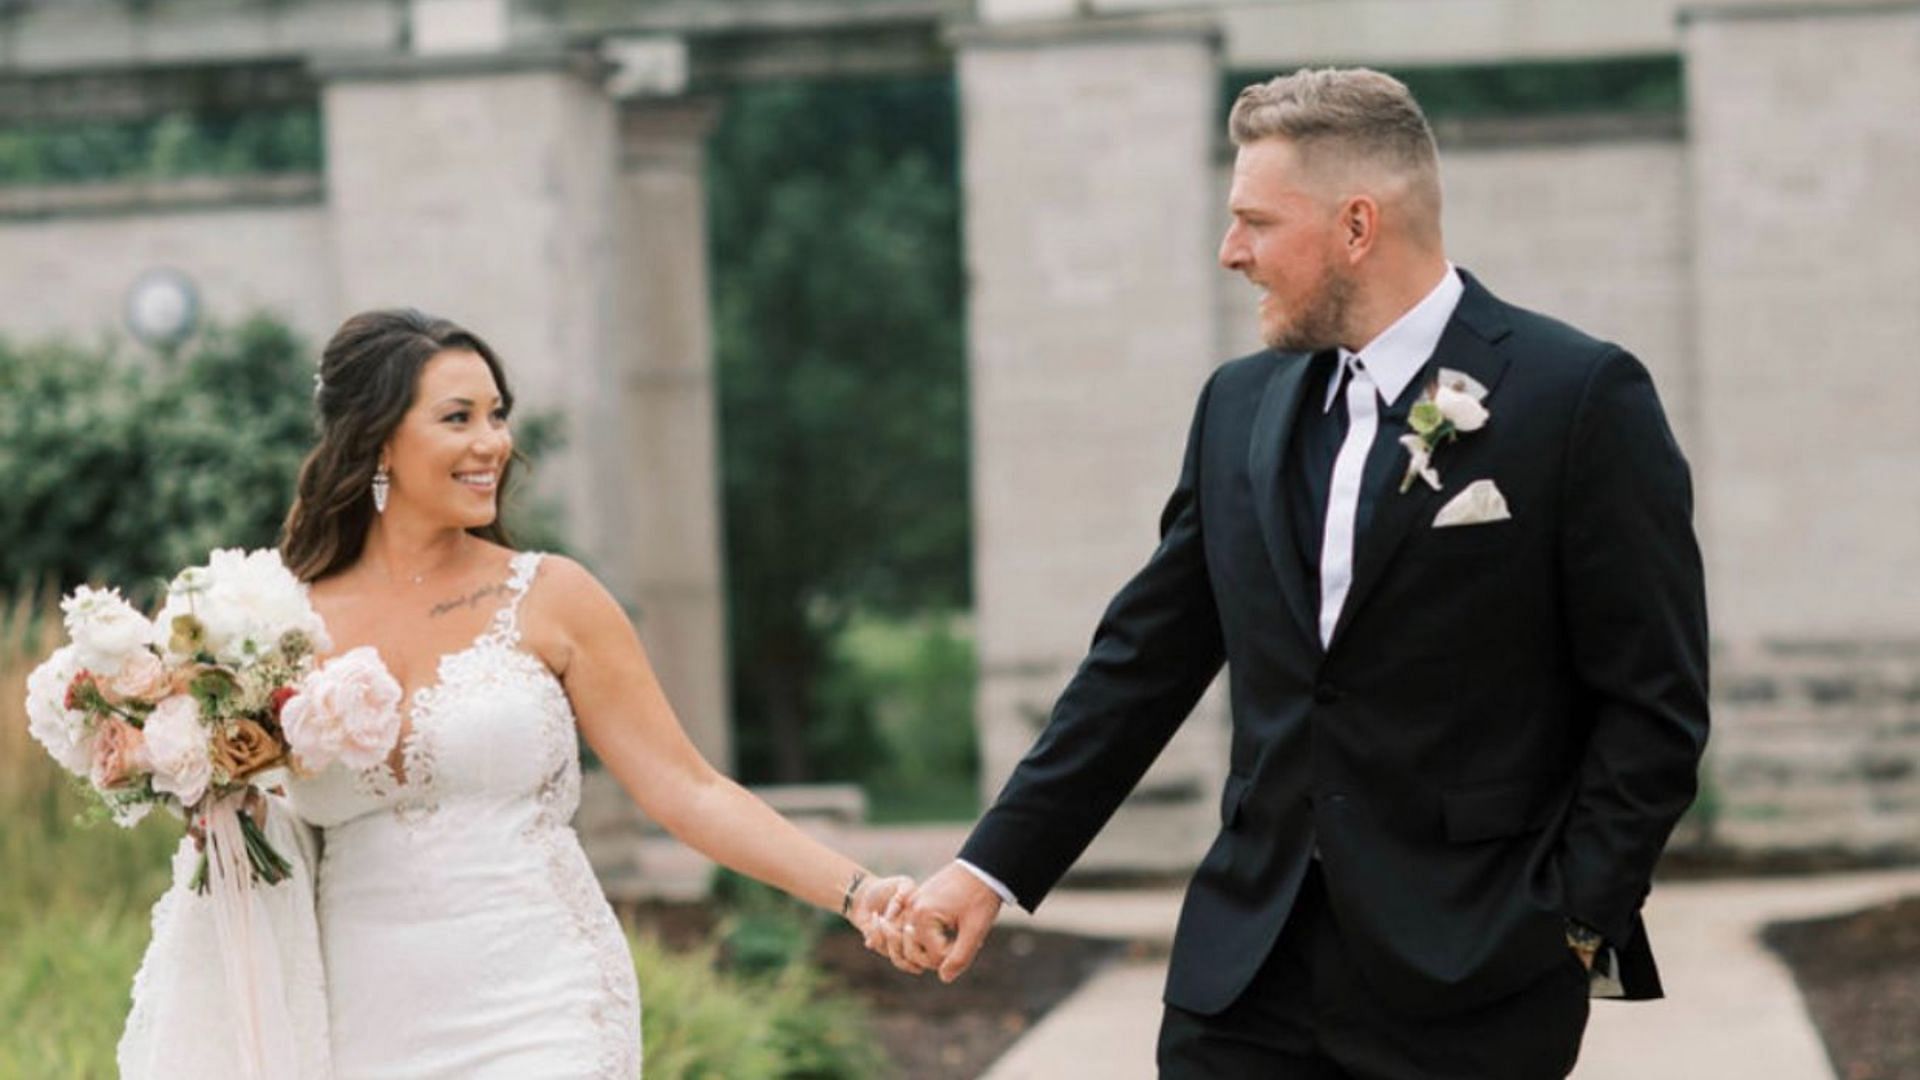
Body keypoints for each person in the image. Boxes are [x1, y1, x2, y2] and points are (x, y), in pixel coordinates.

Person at [893, 67, 1709, 1078]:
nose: (1230, 252)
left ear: (1357, 226)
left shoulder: (1579, 397)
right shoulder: (1237, 407)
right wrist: (989, 869)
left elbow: (1655, 703)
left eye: (1255, 222)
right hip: (1245, 971)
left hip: (1475, 976)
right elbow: (1140, 667)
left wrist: (1575, 918)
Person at [120, 308, 914, 1077]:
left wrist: (858, 892)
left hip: (543, 996)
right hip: (363, 1015)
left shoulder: (551, 596)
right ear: (378, 442)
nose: (492, 443)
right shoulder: (274, 624)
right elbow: (252, 822)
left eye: (497, 416)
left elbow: (688, 790)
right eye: (458, 418)